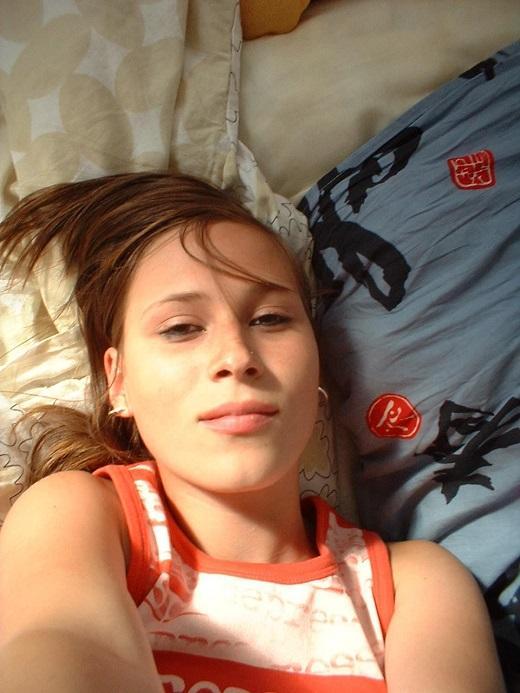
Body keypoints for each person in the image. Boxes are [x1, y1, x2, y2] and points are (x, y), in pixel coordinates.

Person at [0, 173, 505, 692]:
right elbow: (65, 646)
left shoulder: (412, 587)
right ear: (119, 383)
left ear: (319, 365)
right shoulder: (81, 516)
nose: (237, 357)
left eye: (269, 319)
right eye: (181, 328)